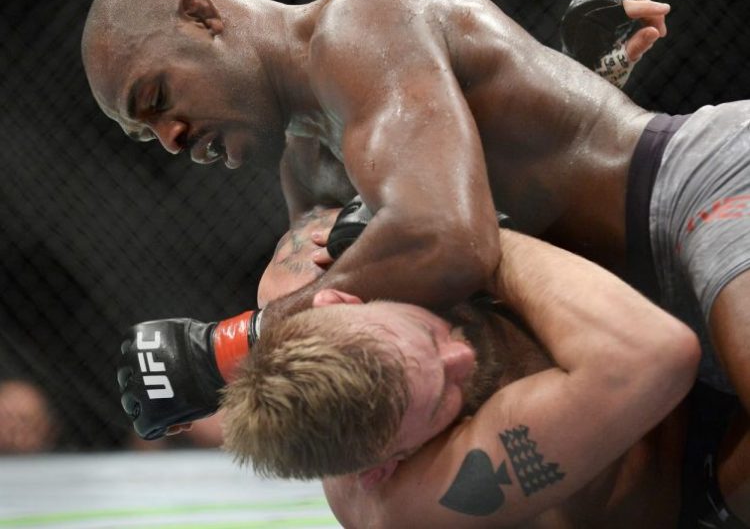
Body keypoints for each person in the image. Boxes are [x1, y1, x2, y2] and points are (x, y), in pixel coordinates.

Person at [81, 0, 749, 520]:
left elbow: (453, 236)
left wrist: (225, 350)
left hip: (702, 191)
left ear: (203, 16)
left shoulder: (358, 23)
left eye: (157, 99)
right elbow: (334, 325)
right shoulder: (306, 167)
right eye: (145, 134)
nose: (170, 139)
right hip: (637, 297)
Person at [222, 214, 701, 528]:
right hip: (697, 455)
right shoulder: (415, 500)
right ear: (385, 466)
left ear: (342, 301)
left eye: (427, 334)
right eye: (439, 400)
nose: (460, 356)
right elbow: (658, 352)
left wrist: (396, 217)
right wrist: (466, 234)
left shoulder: (306, 283)